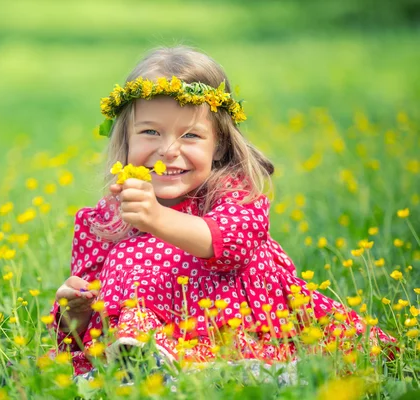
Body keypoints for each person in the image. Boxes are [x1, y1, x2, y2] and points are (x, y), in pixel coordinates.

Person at [50, 46, 395, 376]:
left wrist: (156, 218)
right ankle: (143, 360)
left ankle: (184, 366)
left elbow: (227, 246)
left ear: (220, 146)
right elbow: (94, 325)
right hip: (133, 344)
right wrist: (75, 313)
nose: (168, 150)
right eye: (150, 132)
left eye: (190, 136)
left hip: (230, 336)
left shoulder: (235, 199)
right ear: (126, 140)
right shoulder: (103, 222)